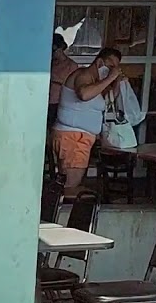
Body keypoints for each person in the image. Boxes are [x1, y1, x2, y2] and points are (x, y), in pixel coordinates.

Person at [50, 46, 123, 195]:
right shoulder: (83, 75)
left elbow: (107, 101)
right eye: (110, 66)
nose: (112, 70)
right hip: (74, 139)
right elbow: (83, 94)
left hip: (78, 138)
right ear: (99, 62)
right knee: (70, 186)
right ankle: (62, 215)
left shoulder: (96, 82)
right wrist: (110, 78)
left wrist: (116, 82)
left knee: (70, 183)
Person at [48, 33, 79, 128]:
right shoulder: (50, 63)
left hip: (60, 100)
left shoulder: (71, 65)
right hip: (47, 99)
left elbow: (73, 85)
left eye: (55, 50)